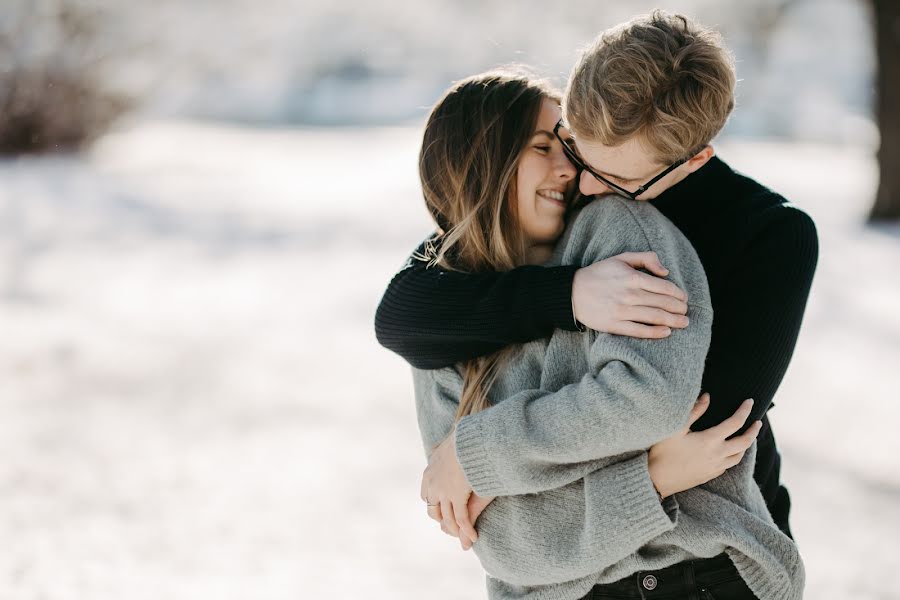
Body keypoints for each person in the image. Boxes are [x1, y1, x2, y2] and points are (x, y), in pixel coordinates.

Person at [375, 11, 818, 549]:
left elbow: (698, 426)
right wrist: (568, 295)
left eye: (616, 178)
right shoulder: (573, 180)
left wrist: (481, 454)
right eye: (570, 144)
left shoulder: (771, 236)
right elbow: (405, 314)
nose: (581, 180)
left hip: (713, 542)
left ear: (693, 158)